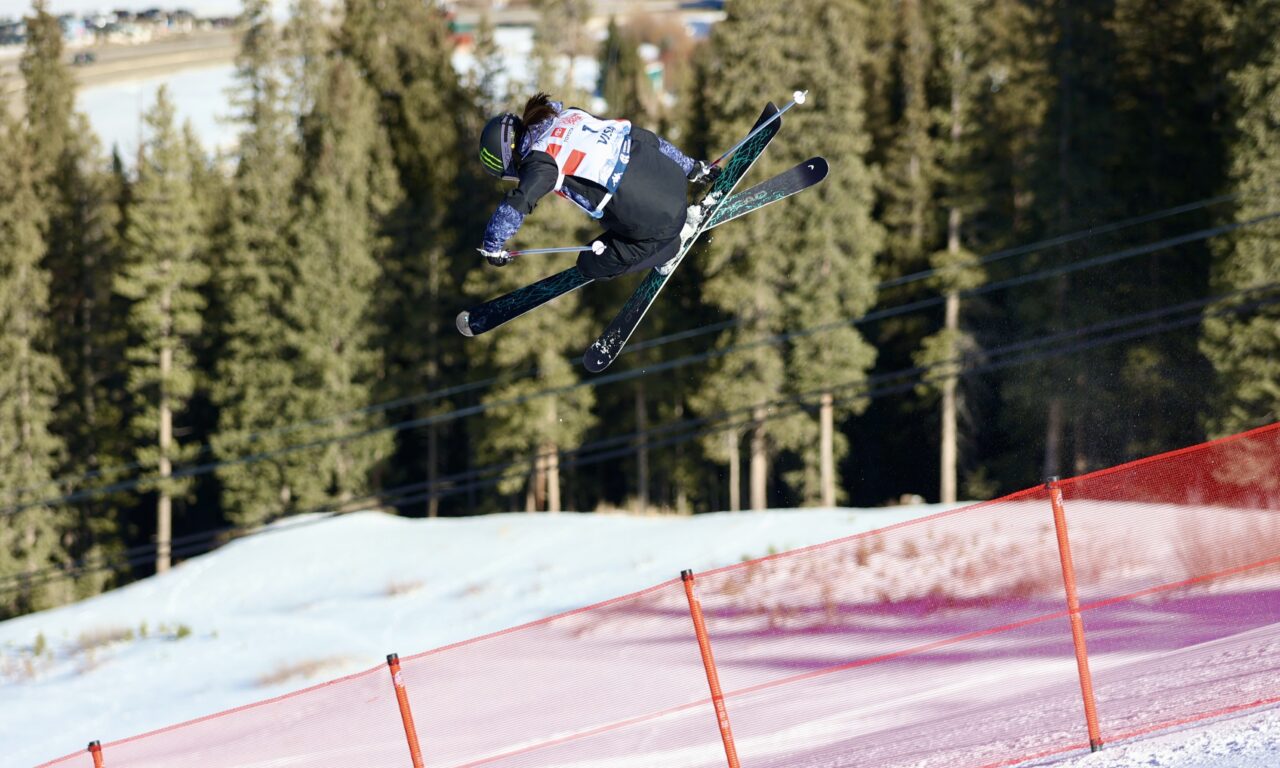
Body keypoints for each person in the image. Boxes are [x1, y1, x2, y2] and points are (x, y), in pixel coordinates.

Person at [477, 93, 719, 280]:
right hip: (673, 179)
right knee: (611, 217)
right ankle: (668, 230)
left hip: (659, 223)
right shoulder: (570, 116)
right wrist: (692, 168)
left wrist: (492, 246)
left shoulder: (539, 161)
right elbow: (642, 136)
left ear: (510, 161)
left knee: (589, 265)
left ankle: (670, 249)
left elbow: (518, 201)